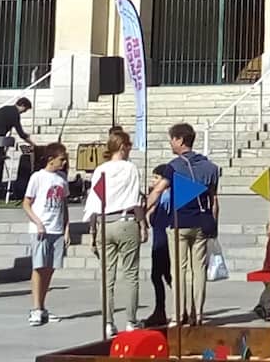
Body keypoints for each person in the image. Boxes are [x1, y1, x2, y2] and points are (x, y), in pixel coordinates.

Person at [146, 122, 219, 327]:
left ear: (180, 140)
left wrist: (143, 209)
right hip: (203, 223)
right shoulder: (211, 168)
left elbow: (159, 190)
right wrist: (214, 227)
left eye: (172, 139)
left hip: (180, 223)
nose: (171, 142)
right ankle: (198, 314)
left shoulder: (174, 166)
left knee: (179, 270)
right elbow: (214, 201)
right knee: (199, 271)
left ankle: (178, 315)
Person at [83, 128, 146, 336]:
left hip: (104, 222)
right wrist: (143, 223)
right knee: (130, 274)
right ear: (122, 146)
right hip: (125, 219)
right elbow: (135, 199)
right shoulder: (130, 168)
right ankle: (131, 320)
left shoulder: (100, 170)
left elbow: (94, 201)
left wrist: (93, 231)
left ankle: (108, 322)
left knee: (107, 275)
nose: (129, 150)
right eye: (128, 146)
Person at [24, 142, 71, 326]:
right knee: (39, 267)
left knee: (50, 269)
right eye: (61, 159)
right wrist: (38, 223)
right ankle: (35, 308)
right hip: (41, 229)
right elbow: (26, 203)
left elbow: (64, 205)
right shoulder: (38, 177)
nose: (64, 162)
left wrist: (67, 228)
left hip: (57, 229)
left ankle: (42, 307)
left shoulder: (61, 179)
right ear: (51, 159)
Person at [0, 97, 33, 198]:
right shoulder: (15, 114)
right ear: (22, 106)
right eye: (25, 110)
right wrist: (31, 142)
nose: (23, 112)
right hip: (0, 139)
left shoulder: (3, 108)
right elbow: (20, 132)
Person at [144, 163, 173, 327]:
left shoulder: (166, 196)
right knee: (160, 276)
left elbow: (159, 218)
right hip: (159, 239)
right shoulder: (161, 196)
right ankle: (160, 309)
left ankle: (167, 309)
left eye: (156, 177)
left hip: (163, 240)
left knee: (166, 276)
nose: (153, 181)